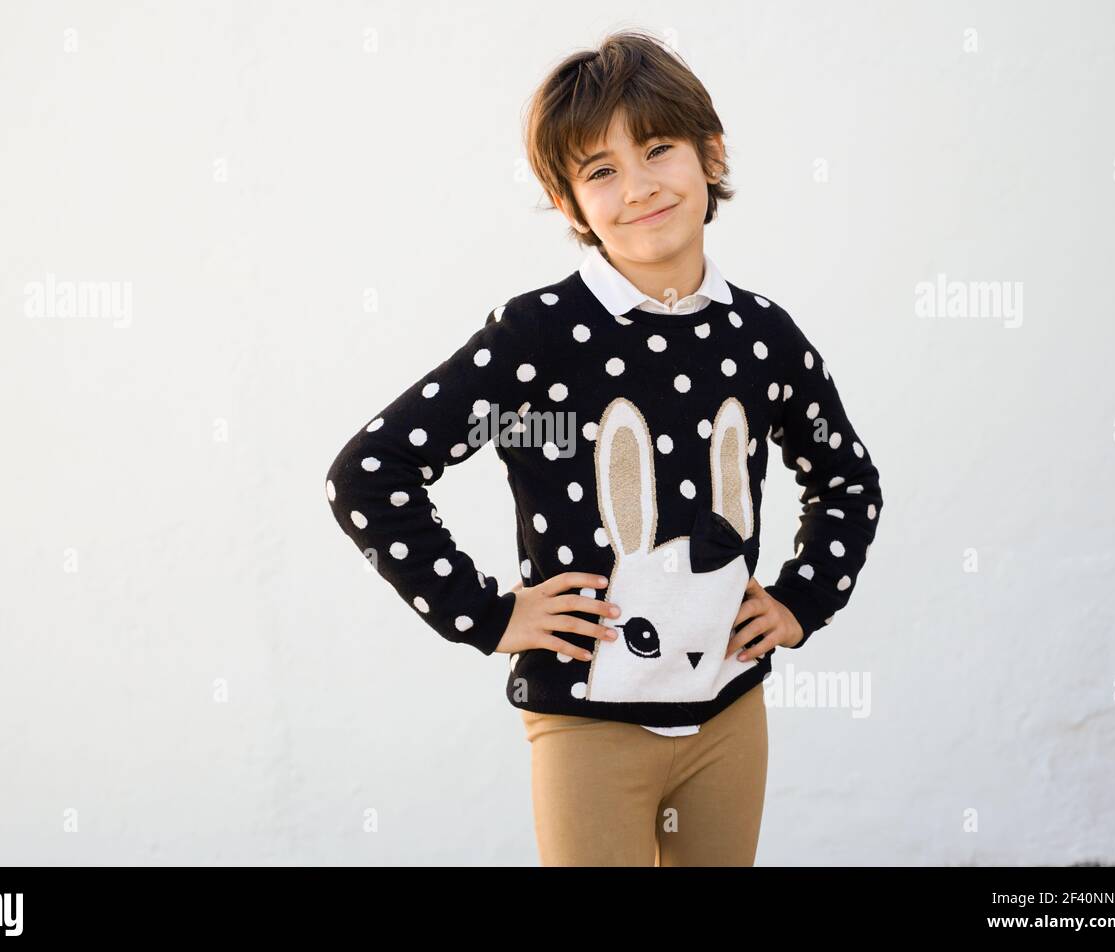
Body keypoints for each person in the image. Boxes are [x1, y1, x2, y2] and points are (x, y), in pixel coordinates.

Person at [324, 29, 884, 866]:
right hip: (585, 725)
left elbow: (847, 477)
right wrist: (491, 614)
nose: (639, 186)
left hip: (730, 714)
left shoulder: (762, 334)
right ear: (569, 205)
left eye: (658, 149)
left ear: (711, 154)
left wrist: (806, 598)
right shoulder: (539, 336)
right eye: (601, 171)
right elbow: (370, 474)